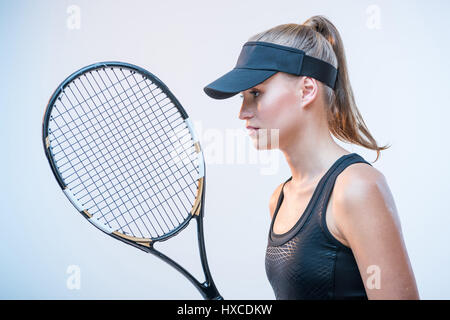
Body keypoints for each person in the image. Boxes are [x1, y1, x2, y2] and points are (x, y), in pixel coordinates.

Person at [203, 15, 419, 300]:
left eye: (256, 93)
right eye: (242, 97)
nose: (242, 112)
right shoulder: (279, 198)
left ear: (306, 91)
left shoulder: (357, 189)